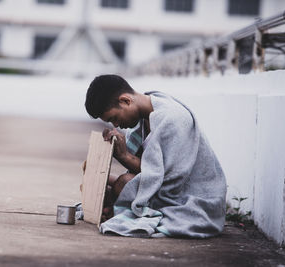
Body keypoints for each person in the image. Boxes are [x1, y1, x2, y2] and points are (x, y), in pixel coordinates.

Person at [84, 74, 227, 238]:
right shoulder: (145, 118)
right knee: (100, 180)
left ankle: (117, 206)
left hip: (193, 198)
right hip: (165, 186)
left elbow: (167, 178)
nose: (116, 125)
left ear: (126, 101)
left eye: (114, 118)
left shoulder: (172, 118)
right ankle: (115, 203)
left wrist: (124, 156)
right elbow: (150, 171)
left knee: (123, 183)